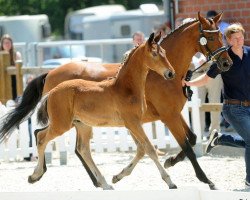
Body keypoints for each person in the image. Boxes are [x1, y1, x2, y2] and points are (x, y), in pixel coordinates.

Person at [182, 23, 250, 187]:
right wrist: (188, 83)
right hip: (234, 108)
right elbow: (206, 78)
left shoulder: (249, 52)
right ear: (228, 40)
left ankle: (220, 138)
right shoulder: (223, 58)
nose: (239, 41)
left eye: (241, 37)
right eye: (235, 38)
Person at [0, 34, 22, 100]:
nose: (7, 44)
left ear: (11, 44)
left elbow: (19, 68)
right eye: (5, 43)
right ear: (2, 44)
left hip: (14, 79)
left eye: (8, 43)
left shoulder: (16, 54)